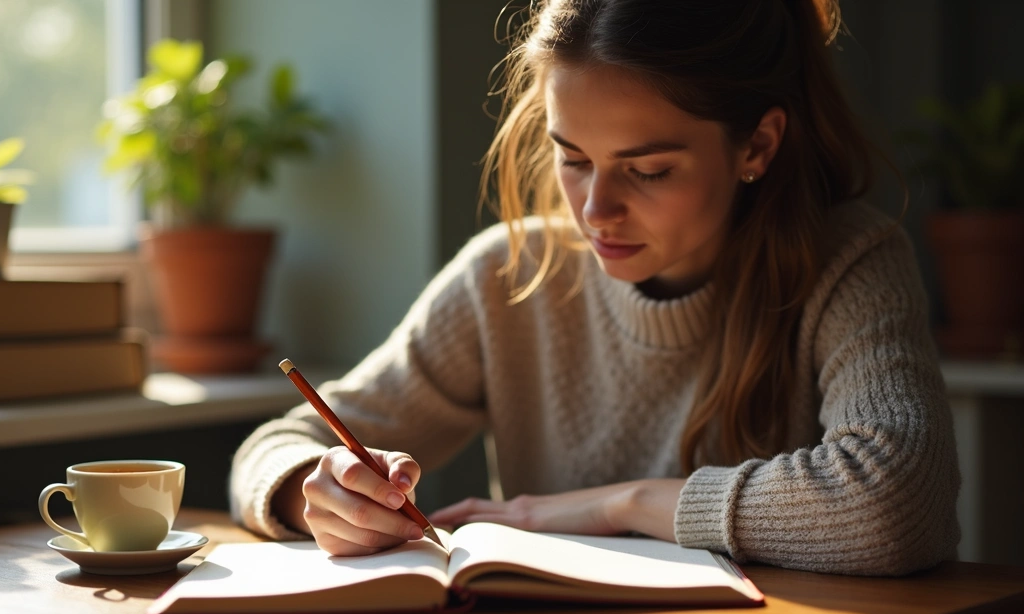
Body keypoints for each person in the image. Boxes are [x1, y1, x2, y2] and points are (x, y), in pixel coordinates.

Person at [229, 0, 960, 576]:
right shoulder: (508, 277)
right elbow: (278, 445)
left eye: (647, 170)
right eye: (572, 157)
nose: (594, 210)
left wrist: (618, 506)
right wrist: (309, 488)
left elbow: (898, 505)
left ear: (757, 147)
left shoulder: (850, 263)